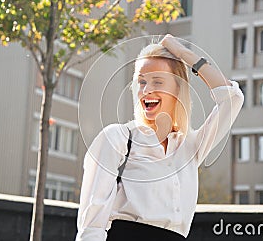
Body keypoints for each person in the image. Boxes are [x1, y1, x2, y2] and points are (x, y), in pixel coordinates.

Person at [76, 34, 244, 241]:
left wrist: (184, 53)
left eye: (157, 81)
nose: (147, 90)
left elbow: (232, 98)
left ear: (178, 88)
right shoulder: (117, 138)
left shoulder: (190, 147)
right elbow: (91, 223)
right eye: (141, 81)